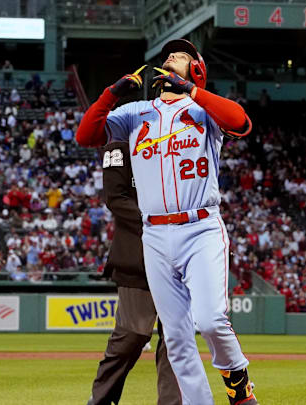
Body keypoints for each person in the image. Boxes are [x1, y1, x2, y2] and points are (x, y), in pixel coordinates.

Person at [77, 38, 257, 405]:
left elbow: (241, 122)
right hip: (155, 233)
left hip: (200, 226)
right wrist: (111, 94)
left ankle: (238, 383)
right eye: (170, 55)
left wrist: (193, 90)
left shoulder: (205, 109)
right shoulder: (137, 112)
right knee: (175, 337)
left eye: (182, 56)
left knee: (210, 319)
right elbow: (86, 135)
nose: (172, 57)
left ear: (197, 71)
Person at [87, 141, 179, 405]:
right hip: (136, 258)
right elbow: (115, 198)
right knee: (131, 336)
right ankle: (100, 399)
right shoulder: (119, 147)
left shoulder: (180, 147)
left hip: (178, 260)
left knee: (176, 340)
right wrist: (158, 223)